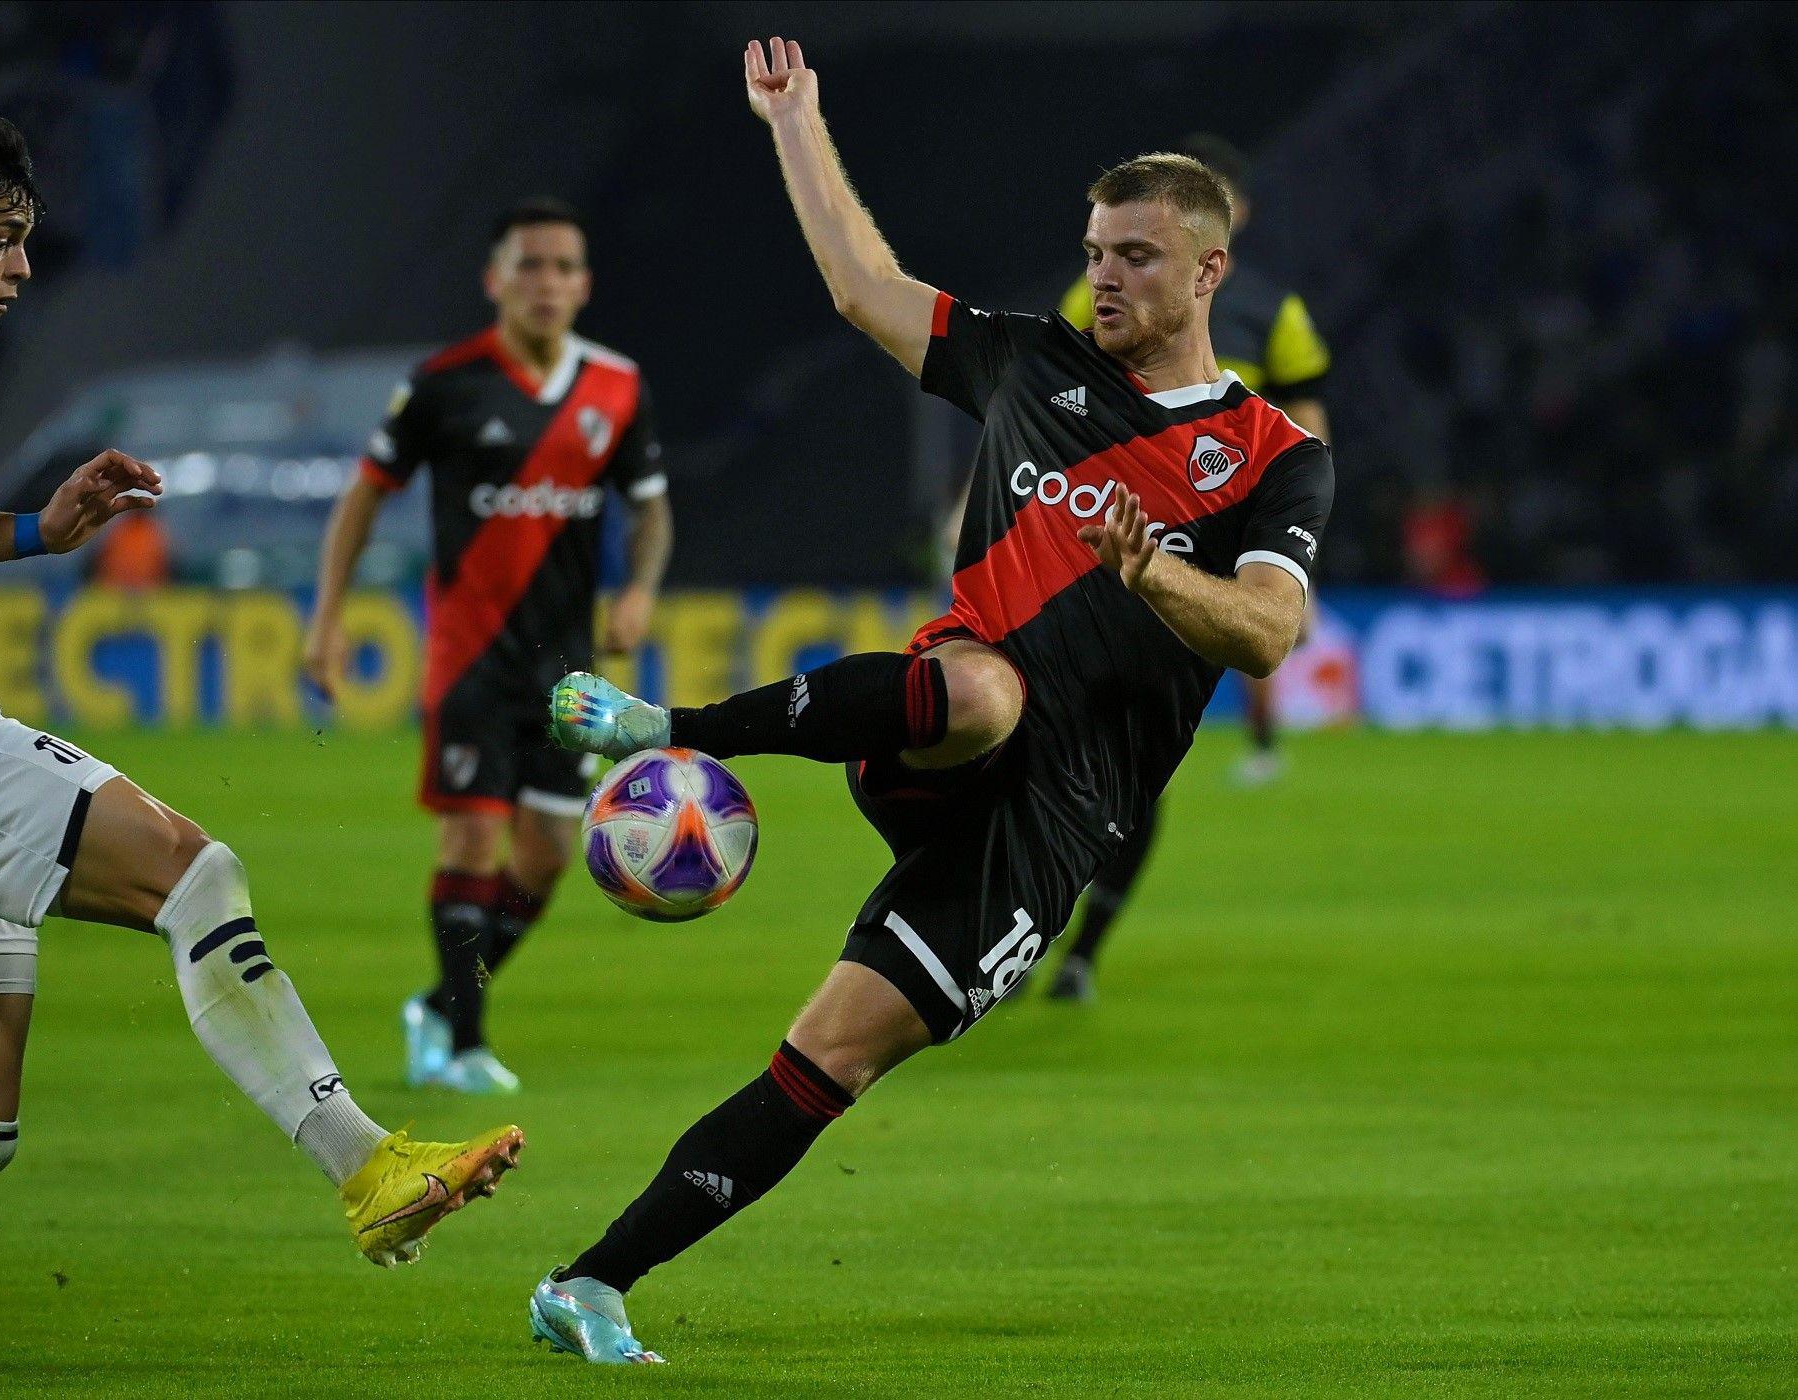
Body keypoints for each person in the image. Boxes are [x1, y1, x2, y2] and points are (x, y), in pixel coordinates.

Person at [524, 38, 1333, 1364]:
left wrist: (1151, 571)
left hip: (1058, 821)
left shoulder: (1270, 459)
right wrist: (796, 120)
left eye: (1135, 253)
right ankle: (662, 730)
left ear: (1207, 270)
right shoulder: (1027, 367)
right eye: (1093, 248)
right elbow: (859, 286)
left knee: (828, 1058)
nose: (1104, 273)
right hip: (938, 726)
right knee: (983, 690)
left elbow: (1266, 629)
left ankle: (589, 1284)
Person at [0, 111, 519, 1292]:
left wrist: (41, 527)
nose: (23, 267)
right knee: (195, 870)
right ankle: (365, 1166)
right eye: (2, 239)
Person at [304, 199, 672, 1096]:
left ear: (583, 285)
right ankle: (464, 1045)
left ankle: (437, 1003)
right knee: (472, 839)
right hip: (468, 658)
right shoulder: (445, 384)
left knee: (545, 857)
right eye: (529, 265)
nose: (545, 283)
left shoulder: (617, 387)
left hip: (567, 673)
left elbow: (653, 504)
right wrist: (327, 616)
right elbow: (363, 496)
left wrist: (639, 589)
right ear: (495, 279)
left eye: (561, 267)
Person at [1043, 134, 1336, 1002]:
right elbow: (1040, 399)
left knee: (1133, 756)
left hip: (1201, 560)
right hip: (1097, 538)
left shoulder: (1275, 308)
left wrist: (1294, 554)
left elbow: (1307, 418)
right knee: (1043, 744)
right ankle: (1015, 926)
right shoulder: (1100, 296)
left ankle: (1082, 948)